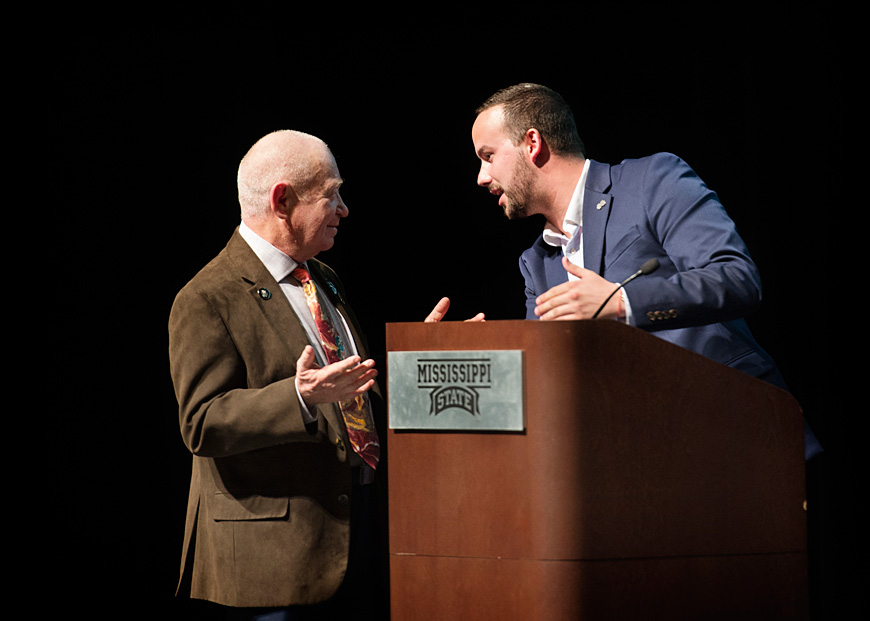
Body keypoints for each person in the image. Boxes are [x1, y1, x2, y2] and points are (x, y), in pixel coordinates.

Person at [431, 83, 820, 460]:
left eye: (488, 155)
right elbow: (548, 377)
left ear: (532, 144)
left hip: (742, 440)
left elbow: (736, 278)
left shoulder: (651, 180)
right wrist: (480, 359)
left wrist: (621, 301)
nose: (481, 177)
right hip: (643, 467)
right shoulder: (536, 263)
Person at [168, 130, 387, 619]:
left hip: (356, 538)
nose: (344, 209)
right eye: (332, 195)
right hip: (273, 562)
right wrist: (299, 398)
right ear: (283, 200)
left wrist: (424, 354)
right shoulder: (206, 297)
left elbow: (351, 387)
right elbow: (201, 422)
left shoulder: (324, 278)